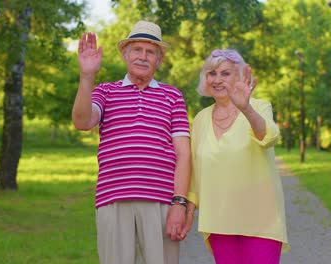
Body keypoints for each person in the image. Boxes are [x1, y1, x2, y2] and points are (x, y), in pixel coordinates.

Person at [71, 20, 191, 264]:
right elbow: (82, 121)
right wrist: (87, 76)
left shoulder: (172, 96)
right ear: (125, 54)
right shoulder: (105, 91)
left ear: (159, 60)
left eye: (151, 52)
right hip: (113, 198)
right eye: (137, 49)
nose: (143, 57)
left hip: (161, 201)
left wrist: (179, 203)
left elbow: (184, 155)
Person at [184, 49, 290, 263]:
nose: (217, 79)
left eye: (225, 73)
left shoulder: (259, 106)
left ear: (240, 76)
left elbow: (269, 137)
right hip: (219, 220)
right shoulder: (201, 119)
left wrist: (246, 108)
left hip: (261, 219)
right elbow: (195, 171)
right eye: (212, 73)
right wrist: (188, 210)